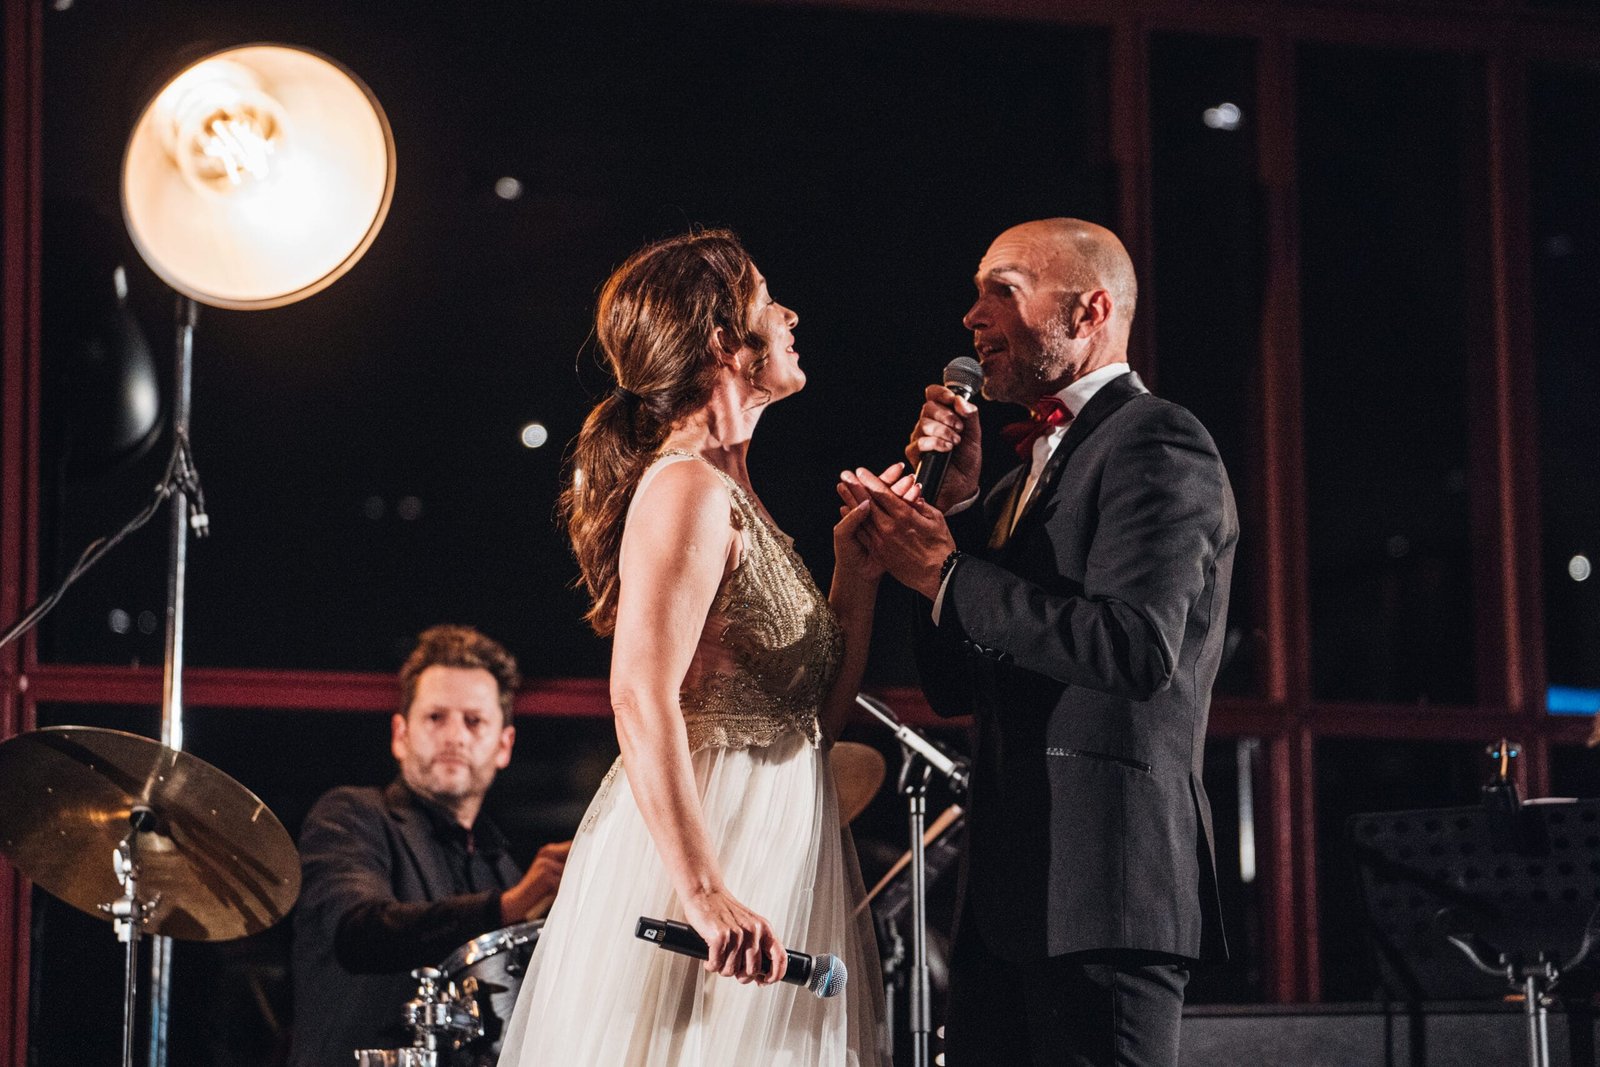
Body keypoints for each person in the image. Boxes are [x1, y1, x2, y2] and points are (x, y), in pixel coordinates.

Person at [841, 218, 1237, 1067]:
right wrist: (951, 514)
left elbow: (1136, 647)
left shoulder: (1157, 439)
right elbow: (953, 687)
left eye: (1005, 291)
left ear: (1089, 311)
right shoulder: (1019, 480)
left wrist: (948, 573)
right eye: (977, 292)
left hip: (1106, 893)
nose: (973, 317)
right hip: (1005, 902)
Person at [497, 229, 888, 1065]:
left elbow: (815, 722)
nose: (790, 316)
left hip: (778, 846)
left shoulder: (740, 497)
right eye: (768, 301)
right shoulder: (685, 488)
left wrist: (856, 573)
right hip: (705, 854)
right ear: (721, 340)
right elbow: (638, 693)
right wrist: (705, 891)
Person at [287, 625, 569, 1066]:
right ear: (400, 734)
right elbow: (359, 933)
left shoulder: (501, 867)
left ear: (504, 745)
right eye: (436, 717)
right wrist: (508, 907)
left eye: (474, 721)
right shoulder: (351, 815)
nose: (454, 736)